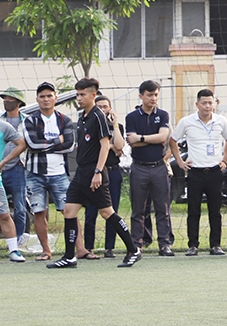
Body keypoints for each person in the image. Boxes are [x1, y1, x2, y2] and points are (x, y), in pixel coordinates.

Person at [47, 78, 141, 268]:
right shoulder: (83, 116)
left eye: (83, 94)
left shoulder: (98, 116)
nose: (79, 98)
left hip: (94, 171)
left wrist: (98, 172)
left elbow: (105, 145)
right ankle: (69, 256)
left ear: (93, 95)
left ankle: (134, 250)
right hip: (81, 173)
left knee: (107, 213)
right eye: (78, 94)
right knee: (69, 211)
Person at [23, 81, 91, 262]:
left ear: (55, 98)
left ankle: (81, 249)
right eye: (42, 96)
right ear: (37, 99)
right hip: (34, 174)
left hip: (59, 173)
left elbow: (69, 145)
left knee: (69, 210)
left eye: (49, 96)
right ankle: (46, 251)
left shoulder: (64, 120)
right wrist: (56, 141)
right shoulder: (30, 120)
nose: (46, 99)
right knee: (39, 212)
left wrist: (45, 142)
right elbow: (32, 144)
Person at [170, 89, 227, 256]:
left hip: (214, 171)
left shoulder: (221, 121)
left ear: (215, 103)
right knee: (193, 210)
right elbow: (173, 140)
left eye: (210, 103)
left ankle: (215, 245)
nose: (207, 106)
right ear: (197, 104)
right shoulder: (187, 121)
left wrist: (225, 160)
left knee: (215, 210)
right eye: (204, 103)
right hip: (195, 172)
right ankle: (193, 245)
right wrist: (180, 161)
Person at [125, 80, 173, 256]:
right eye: (150, 95)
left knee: (163, 208)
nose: (153, 98)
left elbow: (163, 138)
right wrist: (146, 139)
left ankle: (164, 244)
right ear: (141, 96)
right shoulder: (132, 117)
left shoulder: (163, 114)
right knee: (138, 208)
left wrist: (142, 138)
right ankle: (136, 244)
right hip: (139, 168)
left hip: (159, 167)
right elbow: (132, 142)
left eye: (156, 95)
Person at [83, 95, 126, 258]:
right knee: (91, 211)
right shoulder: (90, 125)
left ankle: (109, 248)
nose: (102, 109)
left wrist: (114, 125)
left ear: (110, 109)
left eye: (105, 107)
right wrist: (110, 146)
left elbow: (120, 145)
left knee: (112, 210)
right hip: (94, 172)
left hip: (113, 172)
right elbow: (99, 147)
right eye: (99, 106)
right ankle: (89, 247)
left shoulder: (117, 126)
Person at [0, 87, 28, 245]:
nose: (6, 101)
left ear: (19, 102)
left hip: (18, 167)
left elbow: (24, 144)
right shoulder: (0, 120)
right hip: (0, 170)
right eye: (4, 98)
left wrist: (6, 161)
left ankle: (18, 240)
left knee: (20, 206)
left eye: (10, 99)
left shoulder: (28, 121)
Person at [0, 117, 27, 262]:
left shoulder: (4, 127)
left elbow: (21, 144)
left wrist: (4, 161)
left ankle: (14, 251)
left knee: (4, 215)